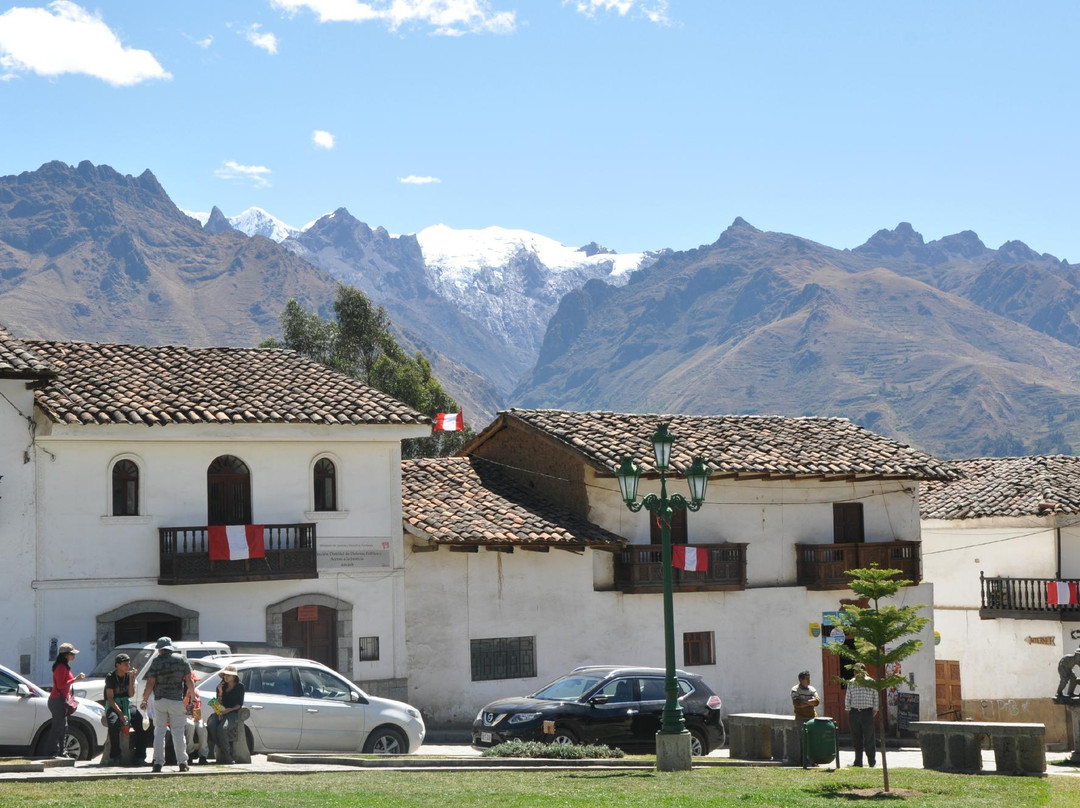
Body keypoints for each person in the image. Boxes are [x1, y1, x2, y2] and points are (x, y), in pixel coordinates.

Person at [139, 636, 194, 773]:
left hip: (160, 700)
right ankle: (182, 762)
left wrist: (144, 700)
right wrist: (192, 697)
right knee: (178, 732)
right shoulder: (182, 659)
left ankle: (158, 763)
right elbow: (189, 680)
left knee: (159, 732)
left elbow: (150, 683)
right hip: (176, 700)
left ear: (160, 650)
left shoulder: (157, 662)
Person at [46, 642, 86, 757]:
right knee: (57, 727)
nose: (74, 656)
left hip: (60, 700)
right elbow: (60, 685)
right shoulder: (61, 667)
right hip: (57, 700)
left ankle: (61, 751)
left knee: (63, 727)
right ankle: (52, 752)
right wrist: (75, 679)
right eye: (72, 654)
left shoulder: (64, 666)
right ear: (65, 655)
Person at [102, 653, 137, 765]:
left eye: (129, 663)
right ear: (118, 665)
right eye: (125, 664)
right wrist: (121, 714)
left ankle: (140, 755)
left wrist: (131, 679)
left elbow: (131, 695)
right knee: (113, 723)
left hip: (126, 702)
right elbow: (110, 698)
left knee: (140, 722)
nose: (128, 666)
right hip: (114, 704)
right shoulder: (111, 677)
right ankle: (115, 755)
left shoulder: (128, 676)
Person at [205, 665, 245, 764]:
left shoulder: (240, 686)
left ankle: (227, 755)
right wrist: (220, 692)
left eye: (229, 675)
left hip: (232, 713)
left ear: (234, 677)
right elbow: (218, 703)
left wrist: (229, 710)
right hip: (220, 711)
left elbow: (239, 704)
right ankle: (222, 747)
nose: (226, 677)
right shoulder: (220, 686)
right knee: (211, 725)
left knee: (222, 728)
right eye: (225, 675)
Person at [844, 663, 879, 767]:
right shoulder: (851, 683)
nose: (856, 673)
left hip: (867, 713)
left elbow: (875, 696)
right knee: (856, 738)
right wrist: (848, 709)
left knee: (869, 738)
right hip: (854, 713)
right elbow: (848, 697)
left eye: (858, 671)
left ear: (863, 671)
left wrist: (875, 709)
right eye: (855, 671)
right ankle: (858, 762)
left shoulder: (871, 682)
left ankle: (871, 761)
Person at [184, 673, 209, 765]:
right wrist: (187, 696)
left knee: (202, 728)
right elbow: (183, 707)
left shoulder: (196, 691)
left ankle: (203, 756)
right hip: (184, 716)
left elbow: (198, 706)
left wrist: (197, 717)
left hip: (195, 716)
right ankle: (189, 753)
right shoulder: (181, 691)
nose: (192, 683)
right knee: (190, 727)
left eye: (193, 682)